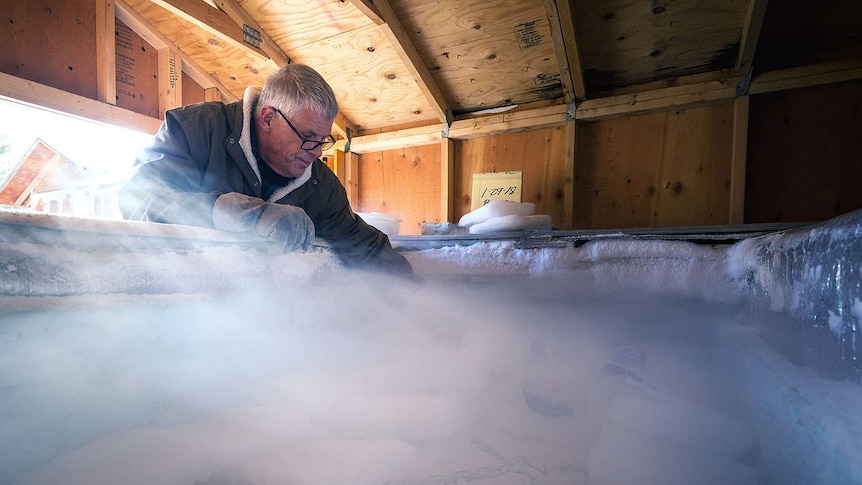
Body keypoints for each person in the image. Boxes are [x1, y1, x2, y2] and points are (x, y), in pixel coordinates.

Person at [119, 63, 413, 276]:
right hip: (185, 309)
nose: (315, 152)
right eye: (307, 138)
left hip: (265, 330)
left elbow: (364, 247)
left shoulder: (320, 187)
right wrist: (231, 211)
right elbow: (137, 199)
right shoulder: (195, 130)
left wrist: (419, 299)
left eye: (322, 141)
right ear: (269, 118)